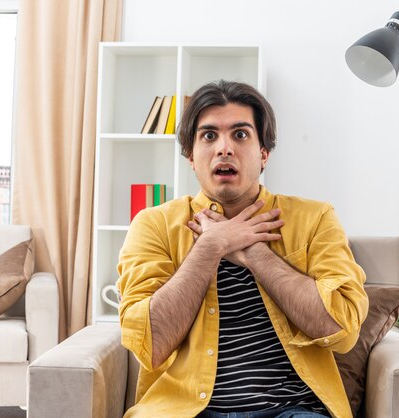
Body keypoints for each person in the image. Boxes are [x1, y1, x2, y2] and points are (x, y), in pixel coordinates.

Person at [117, 80, 368, 418]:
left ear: (264, 153)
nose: (224, 148)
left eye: (240, 134)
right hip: (185, 410)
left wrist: (254, 252)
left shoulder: (315, 218)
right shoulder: (154, 224)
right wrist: (211, 246)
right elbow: (150, 344)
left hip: (292, 409)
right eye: (209, 136)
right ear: (191, 156)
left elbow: (341, 329)